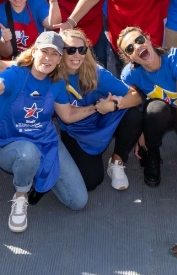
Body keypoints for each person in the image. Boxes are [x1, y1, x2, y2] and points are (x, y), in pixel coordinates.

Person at [0, 31, 89, 233]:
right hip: (12, 145)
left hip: (46, 140)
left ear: (60, 58)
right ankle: (21, 195)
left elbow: (67, 115)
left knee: (78, 201)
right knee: (28, 153)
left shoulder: (58, 83)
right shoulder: (16, 74)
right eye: (44, 51)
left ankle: (37, 171)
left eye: (54, 54)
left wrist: (96, 108)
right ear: (34, 51)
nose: (48, 58)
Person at [56, 29, 144, 191]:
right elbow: (67, 117)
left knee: (133, 115)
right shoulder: (53, 75)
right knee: (91, 181)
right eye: (70, 50)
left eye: (82, 50)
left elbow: (136, 96)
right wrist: (97, 107)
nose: (77, 55)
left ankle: (117, 161)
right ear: (60, 52)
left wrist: (114, 105)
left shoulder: (96, 72)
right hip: (74, 129)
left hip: (100, 120)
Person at [118, 28, 177, 189]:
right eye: (130, 48)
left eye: (139, 40)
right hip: (163, 112)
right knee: (154, 109)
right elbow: (135, 104)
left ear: (147, 37)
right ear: (128, 57)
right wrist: (140, 135)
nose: (137, 46)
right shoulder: (130, 74)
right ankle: (152, 154)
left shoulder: (176, 59)